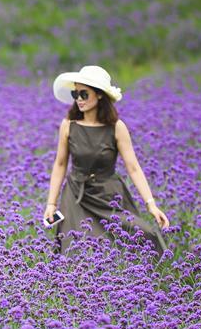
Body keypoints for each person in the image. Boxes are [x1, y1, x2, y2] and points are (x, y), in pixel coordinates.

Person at [43, 65, 169, 258]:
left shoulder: (116, 128)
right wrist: (51, 204)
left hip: (109, 195)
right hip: (76, 196)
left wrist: (151, 205)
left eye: (84, 94)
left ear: (99, 95)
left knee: (141, 238)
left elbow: (133, 168)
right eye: (75, 93)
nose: (78, 99)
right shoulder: (68, 125)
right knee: (75, 249)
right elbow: (60, 164)